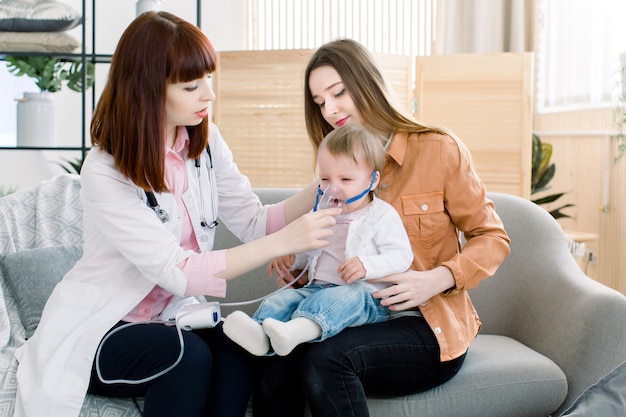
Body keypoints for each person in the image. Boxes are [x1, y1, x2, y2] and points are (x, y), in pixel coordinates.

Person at [12, 12, 339, 417]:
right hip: (106, 326)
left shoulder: (205, 142)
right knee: (186, 358)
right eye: (191, 85)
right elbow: (179, 272)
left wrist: (332, 179)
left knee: (237, 348)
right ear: (149, 89)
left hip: (174, 315)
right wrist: (285, 242)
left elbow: (256, 222)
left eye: (208, 79)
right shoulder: (104, 171)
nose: (209, 95)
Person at [252, 38, 512, 417]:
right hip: (348, 315)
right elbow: (325, 256)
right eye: (320, 102)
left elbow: (493, 238)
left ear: (366, 82)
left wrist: (437, 278)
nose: (330, 109)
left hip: (423, 323)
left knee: (325, 358)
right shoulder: (335, 175)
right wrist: (298, 266)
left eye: (338, 92)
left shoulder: (438, 149)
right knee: (277, 351)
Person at [222, 124, 414, 357]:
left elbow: (402, 256)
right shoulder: (320, 215)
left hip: (364, 296)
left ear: (373, 181)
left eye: (345, 179)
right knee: (283, 299)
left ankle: (296, 331)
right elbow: (314, 253)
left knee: (339, 298)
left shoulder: (381, 215)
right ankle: (260, 333)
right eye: (325, 178)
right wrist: (294, 258)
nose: (333, 188)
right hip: (315, 288)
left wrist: (366, 265)